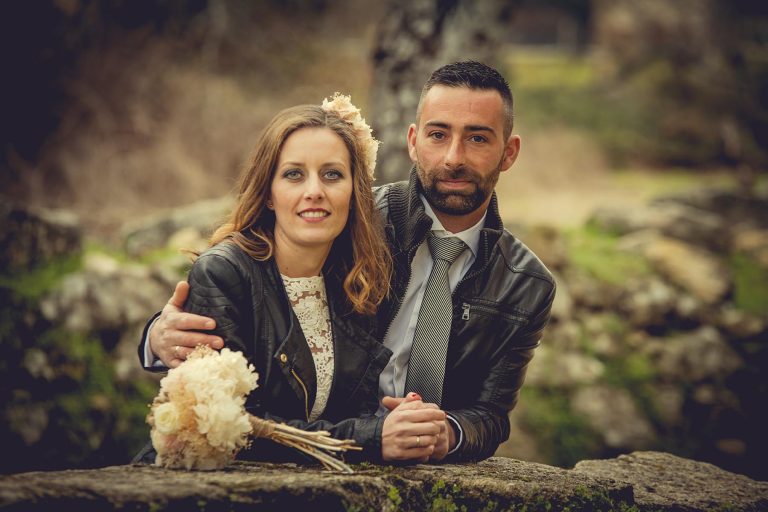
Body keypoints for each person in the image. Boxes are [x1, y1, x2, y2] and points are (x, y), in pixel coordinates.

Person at [140, 61, 556, 463]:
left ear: (509, 151)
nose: (453, 158)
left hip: (382, 456)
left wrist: (446, 431)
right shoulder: (354, 222)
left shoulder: (526, 285)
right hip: (335, 443)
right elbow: (260, 283)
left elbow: (492, 415)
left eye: (478, 138)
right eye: (437, 135)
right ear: (412, 141)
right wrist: (159, 334)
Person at [135, 95, 449, 464]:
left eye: (332, 174)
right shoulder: (226, 273)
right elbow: (231, 427)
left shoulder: (357, 278)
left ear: (354, 191)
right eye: (293, 174)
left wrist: (402, 419)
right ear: (269, 193)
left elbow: (347, 408)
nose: (314, 190)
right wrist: (370, 438)